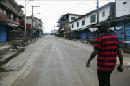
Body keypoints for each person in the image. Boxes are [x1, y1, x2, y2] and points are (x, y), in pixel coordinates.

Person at [86, 21, 123, 86]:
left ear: (104, 28)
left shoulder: (100, 38)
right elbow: (119, 52)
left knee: (103, 83)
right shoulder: (115, 37)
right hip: (112, 66)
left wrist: (89, 60)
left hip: (103, 66)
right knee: (106, 79)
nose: (98, 29)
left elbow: (95, 52)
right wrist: (121, 64)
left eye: (100, 27)